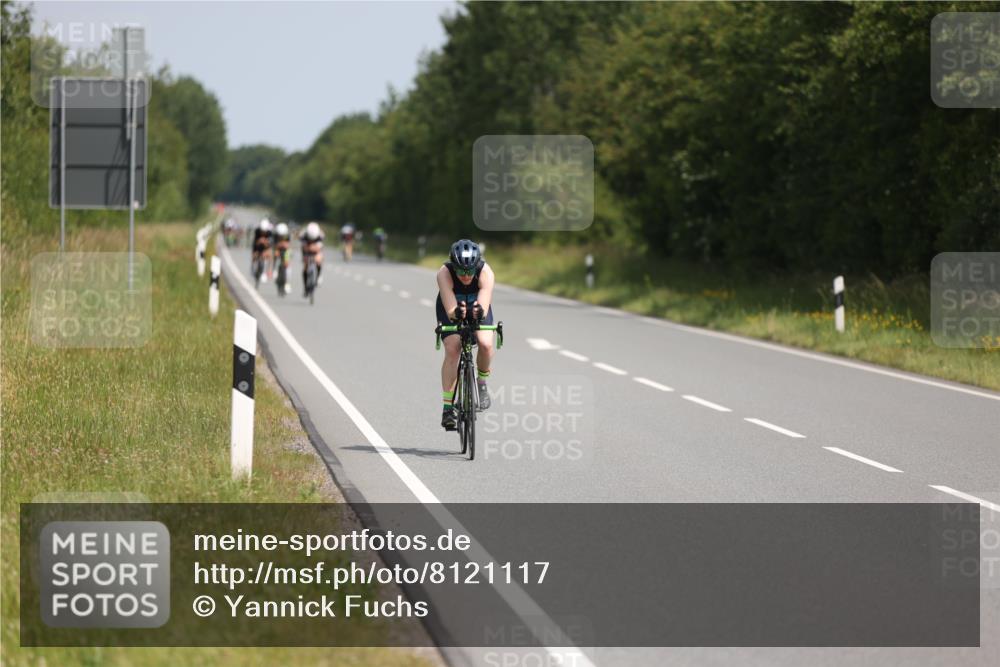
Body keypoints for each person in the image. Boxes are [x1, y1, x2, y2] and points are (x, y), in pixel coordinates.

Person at [436, 239, 496, 430]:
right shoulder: (444, 273)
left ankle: (482, 382)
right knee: (453, 348)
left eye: (470, 271)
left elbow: (483, 307)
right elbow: (451, 308)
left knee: (485, 344)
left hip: (477, 305)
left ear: (477, 265)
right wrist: (457, 313)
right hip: (452, 306)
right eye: (461, 271)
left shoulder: (486, 273)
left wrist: (477, 313)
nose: (465, 276)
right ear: (454, 266)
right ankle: (448, 407)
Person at [299, 221, 325, 296]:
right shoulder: (303, 235)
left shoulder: (321, 235)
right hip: (306, 249)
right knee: (305, 266)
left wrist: (316, 251)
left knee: (319, 260)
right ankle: (305, 287)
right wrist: (307, 250)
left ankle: (318, 276)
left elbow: (320, 248)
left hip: (316, 249)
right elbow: (303, 247)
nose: (311, 239)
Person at [273, 222, 292, 294]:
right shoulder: (275, 235)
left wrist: (285, 246)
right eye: (279, 235)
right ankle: (275, 270)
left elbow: (289, 245)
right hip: (277, 249)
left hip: (286, 250)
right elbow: (273, 245)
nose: (281, 236)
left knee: (287, 264)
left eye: (282, 235)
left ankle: (287, 282)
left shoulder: (287, 235)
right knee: (276, 255)